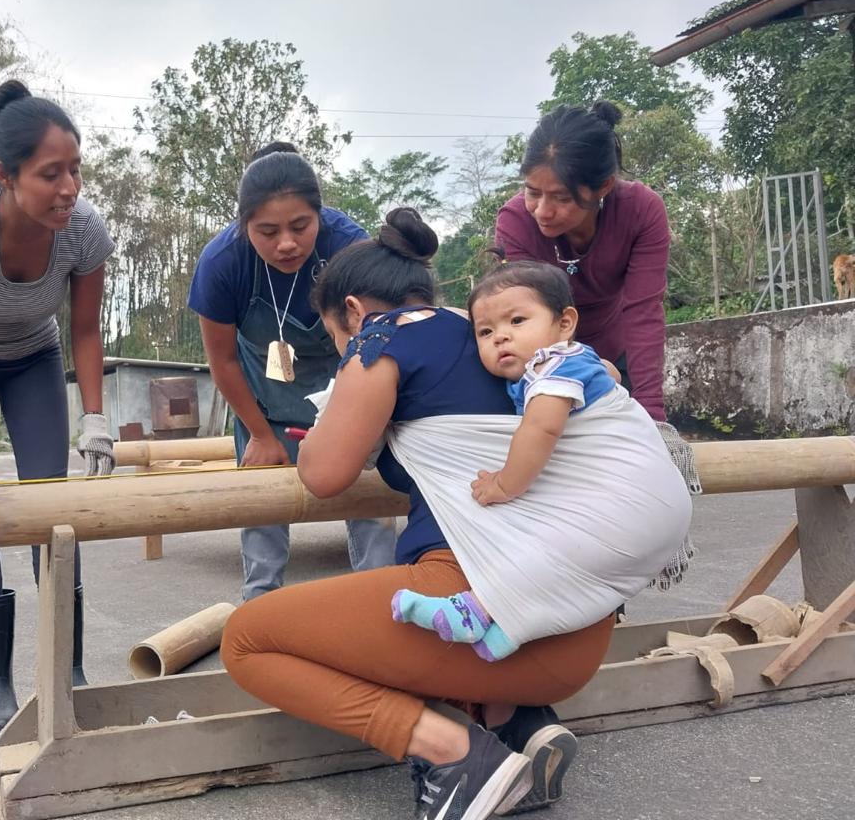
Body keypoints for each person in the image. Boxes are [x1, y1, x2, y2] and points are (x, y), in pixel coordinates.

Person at [223, 210, 617, 820]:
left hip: (478, 608)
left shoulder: (384, 336)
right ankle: (519, 725)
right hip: (579, 625)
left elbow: (323, 474)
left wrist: (347, 395)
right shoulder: (503, 335)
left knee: (247, 640)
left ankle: (456, 754)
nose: (343, 353)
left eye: (335, 340)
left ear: (354, 312)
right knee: (389, 607)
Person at [389, 260, 691, 663]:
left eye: (517, 320)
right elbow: (612, 376)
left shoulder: (552, 365)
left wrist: (504, 484)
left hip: (633, 503)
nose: (501, 337)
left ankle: (476, 607)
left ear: (565, 323)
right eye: (485, 331)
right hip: (657, 510)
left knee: (542, 543)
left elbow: (542, 430)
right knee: (567, 566)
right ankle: (511, 631)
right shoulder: (577, 361)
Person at [0, 80, 115, 744]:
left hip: (35, 361)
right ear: (4, 176)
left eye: (75, 168)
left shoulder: (85, 230)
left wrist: (93, 416)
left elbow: (88, 331)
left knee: (52, 513)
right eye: (51, 173)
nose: (69, 186)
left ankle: (66, 672)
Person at [188, 143, 395, 600]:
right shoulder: (221, 263)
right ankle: (260, 605)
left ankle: (378, 601)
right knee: (262, 507)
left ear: (320, 215)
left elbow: (377, 338)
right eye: (267, 231)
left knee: (368, 497)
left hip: (346, 389)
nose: (286, 243)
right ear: (245, 226)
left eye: (300, 226)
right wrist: (260, 435)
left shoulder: (349, 247)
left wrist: (358, 418)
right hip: (261, 397)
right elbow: (221, 360)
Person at [494, 101, 670, 422]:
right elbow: (529, 319)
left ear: (603, 187)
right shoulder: (516, 221)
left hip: (617, 355)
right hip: (547, 363)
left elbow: (643, 314)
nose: (543, 211)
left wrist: (653, 418)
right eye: (533, 192)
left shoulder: (641, 211)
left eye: (561, 198)